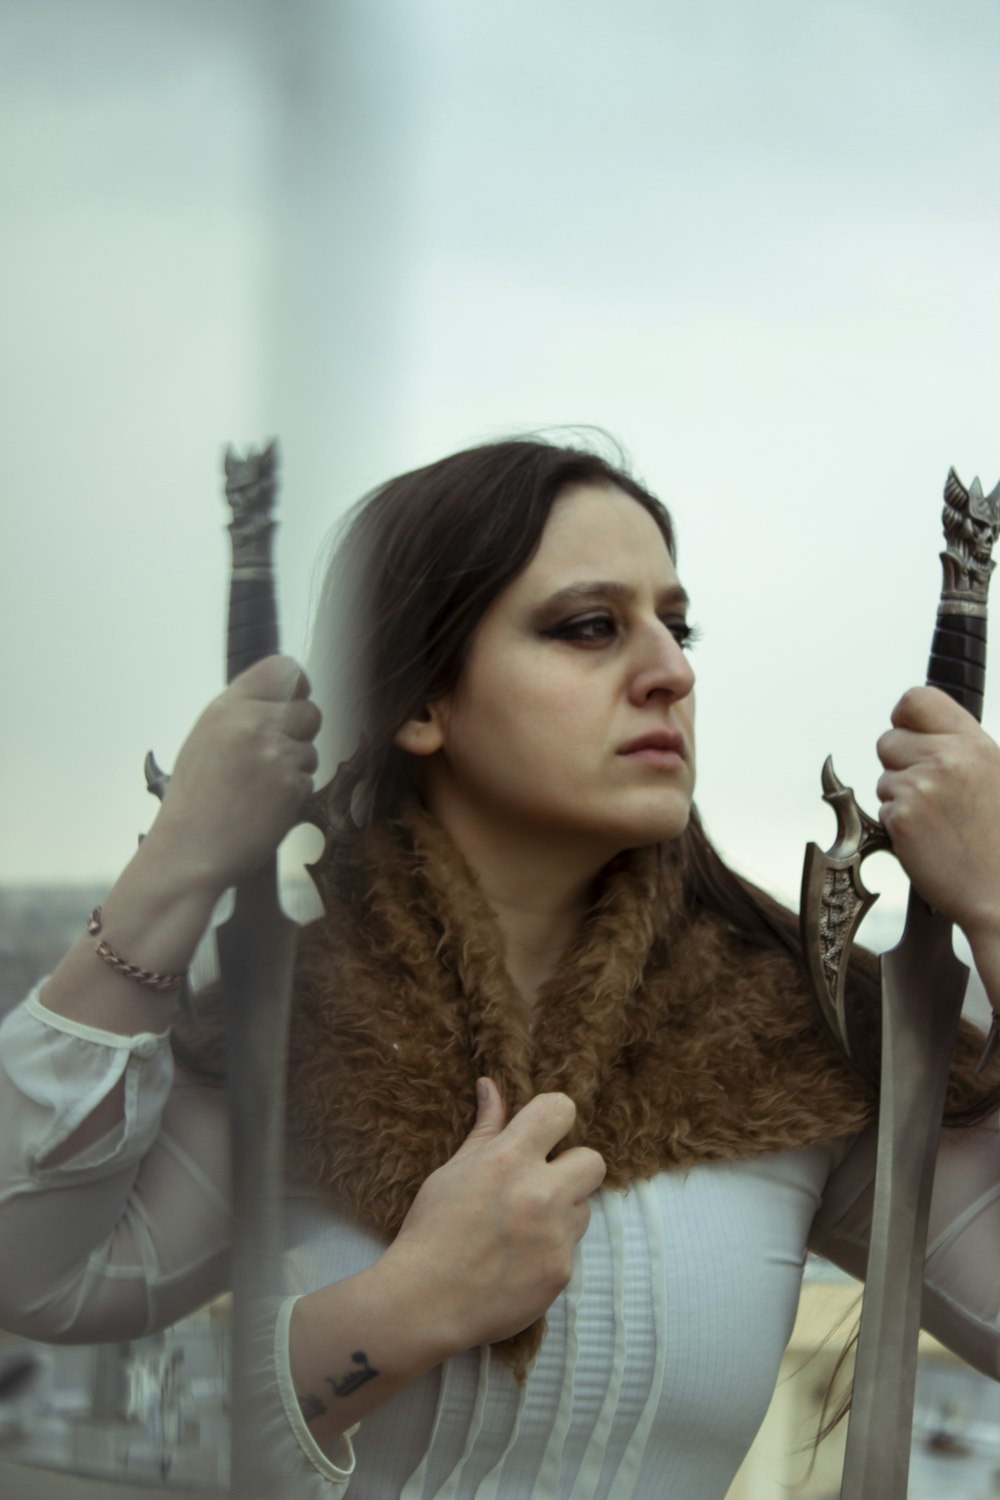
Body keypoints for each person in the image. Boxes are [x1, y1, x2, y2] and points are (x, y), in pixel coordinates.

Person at [2, 436, 1000, 1500]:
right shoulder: (296, 1031)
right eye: (588, 627)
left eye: (677, 622)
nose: (672, 670)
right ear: (423, 703)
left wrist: (995, 901)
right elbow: (40, 1277)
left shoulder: (795, 1038)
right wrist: (178, 864)